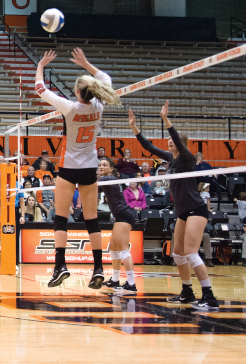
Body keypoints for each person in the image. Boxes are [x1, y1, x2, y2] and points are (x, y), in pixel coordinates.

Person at [35, 48, 120, 288]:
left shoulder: (70, 108)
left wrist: (41, 65)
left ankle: (60, 266)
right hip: (90, 167)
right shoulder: (99, 106)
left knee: (61, 217)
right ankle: (98, 269)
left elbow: (40, 88)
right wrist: (86, 64)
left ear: (77, 92)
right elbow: (106, 79)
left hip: (69, 167)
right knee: (92, 220)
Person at [130, 101, 218, 310]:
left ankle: (209, 297)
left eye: (172, 140)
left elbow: (176, 138)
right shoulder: (170, 158)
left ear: (181, 144)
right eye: (168, 140)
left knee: (191, 253)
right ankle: (187, 292)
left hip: (196, 209)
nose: (169, 142)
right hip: (182, 211)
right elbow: (149, 147)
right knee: (177, 253)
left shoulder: (186, 157)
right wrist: (134, 127)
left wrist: (166, 120)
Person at [97, 159, 137, 293]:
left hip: (124, 216)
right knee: (113, 249)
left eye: (104, 165)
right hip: (120, 216)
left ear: (111, 168)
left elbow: (94, 185)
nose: (101, 167)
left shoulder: (109, 178)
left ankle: (131, 283)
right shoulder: (109, 180)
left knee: (123, 250)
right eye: (100, 165)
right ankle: (115, 280)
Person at [235, 192, 246, 266]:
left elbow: (235, 200)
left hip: (240, 217)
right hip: (244, 218)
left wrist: (236, 199)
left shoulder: (239, 202)